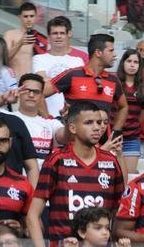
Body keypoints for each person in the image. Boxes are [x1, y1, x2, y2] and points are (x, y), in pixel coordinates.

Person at [27, 101, 124, 247]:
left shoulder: (111, 162)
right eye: (89, 123)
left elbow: (119, 213)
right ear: (72, 127)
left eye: (99, 122)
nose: (97, 127)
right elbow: (32, 216)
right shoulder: (56, 160)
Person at [45, 33, 128, 134]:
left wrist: (116, 131)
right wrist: (49, 120)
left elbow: (124, 106)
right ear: (98, 53)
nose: (114, 54)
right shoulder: (72, 74)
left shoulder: (113, 80)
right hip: (74, 143)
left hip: (102, 145)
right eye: (110, 50)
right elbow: (40, 93)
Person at [32, 15, 86, 117]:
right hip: (46, 115)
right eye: (55, 33)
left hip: (73, 116)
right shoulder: (38, 58)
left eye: (62, 33)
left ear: (68, 34)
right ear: (48, 37)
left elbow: (81, 88)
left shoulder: (78, 61)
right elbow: (42, 82)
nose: (58, 36)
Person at [11, 73, 65, 167]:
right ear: (19, 92)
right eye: (27, 91)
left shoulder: (51, 124)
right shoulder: (6, 117)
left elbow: (66, 137)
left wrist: (71, 119)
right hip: (15, 179)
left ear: (41, 96)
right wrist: (4, 99)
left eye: (36, 92)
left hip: (44, 179)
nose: (31, 95)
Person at [116, 48, 144, 174]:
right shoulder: (115, 83)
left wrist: (132, 125)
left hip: (132, 138)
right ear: (123, 63)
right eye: (129, 61)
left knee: (128, 175)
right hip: (114, 137)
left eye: (136, 62)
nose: (132, 65)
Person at [4, 2, 47, 79]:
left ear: (36, 17)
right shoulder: (10, 34)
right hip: (15, 79)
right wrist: (20, 43)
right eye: (25, 16)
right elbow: (3, 58)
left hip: (35, 81)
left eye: (31, 16)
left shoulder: (41, 38)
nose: (29, 19)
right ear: (20, 17)